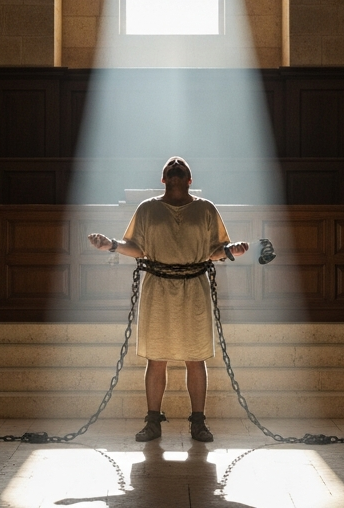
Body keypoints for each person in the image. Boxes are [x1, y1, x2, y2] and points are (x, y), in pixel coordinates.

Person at [87, 157, 248, 443]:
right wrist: (110, 244)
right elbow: (136, 247)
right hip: (158, 288)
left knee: (195, 358)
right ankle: (153, 422)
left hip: (193, 288)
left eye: (180, 166)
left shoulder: (206, 209)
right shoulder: (148, 209)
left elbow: (215, 250)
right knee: (156, 358)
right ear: (163, 179)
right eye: (170, 166)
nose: (175, 164)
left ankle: (198, 422)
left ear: (189, 179)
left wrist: (232, 250)